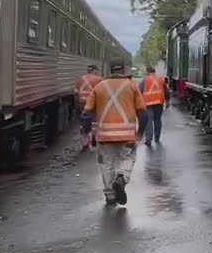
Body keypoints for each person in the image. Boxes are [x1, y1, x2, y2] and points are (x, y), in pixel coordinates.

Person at [83, 60, 147, 205]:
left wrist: (87, 132)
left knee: (106, 163)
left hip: (104, 136)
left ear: (110, 70)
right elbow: (143, 113)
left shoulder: (98, 87)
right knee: (128, 158)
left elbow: (86, 114)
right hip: (127, 136)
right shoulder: (132, 86)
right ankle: (122, 178)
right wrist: (140, 132)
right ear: (123, 70)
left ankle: (110, 195)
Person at [73, 65, 102, 151]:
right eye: (97, 70)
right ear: (94, 71)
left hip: (82, 104)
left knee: (83, 122)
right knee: (94, 121)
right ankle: (94, 136)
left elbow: (75, 92)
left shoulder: (80, 79)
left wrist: (77, 103)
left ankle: (85, 141)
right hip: (93, 104)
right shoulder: (99, 79)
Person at [140, 65, 170, 145]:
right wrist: (167, 101)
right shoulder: (161, 79)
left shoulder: (145, 80)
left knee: (148, 121)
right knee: (157, 120)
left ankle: (148, 140)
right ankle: (157, 138)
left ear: (147, 72)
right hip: (159, 103)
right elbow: (166, 91)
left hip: (148, 104)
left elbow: (139, 91)